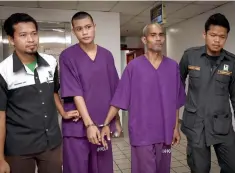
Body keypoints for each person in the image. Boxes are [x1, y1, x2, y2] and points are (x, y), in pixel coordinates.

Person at [100, 23, 186, 173]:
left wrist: (175, 128)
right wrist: (106, 123)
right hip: (142, 133)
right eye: (153, 35)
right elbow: (119, 98)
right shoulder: (134, 67)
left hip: (165, 132)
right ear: (145, 40)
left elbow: (176, 101)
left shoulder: (172, 67)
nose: (158, 38)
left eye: (161, 35)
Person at [0, 13, 79, 173]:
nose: (31, 39)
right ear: (11, 39)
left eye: (34, 33)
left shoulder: (50, 62)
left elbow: (53, 91)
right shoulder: (3, 71)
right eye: (23, 35)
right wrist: (0, 159)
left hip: (51, 143)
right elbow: (0, 116)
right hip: (19, 147)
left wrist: (62, 112)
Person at [59, 11, 122, 173]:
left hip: (103, 125)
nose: (85, 32)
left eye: (88, 27)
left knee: (102, 169)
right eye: (79, 29)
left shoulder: (107, 55)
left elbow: (115, 89)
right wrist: (89, 124)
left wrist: (114, 121)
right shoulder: (67, 56)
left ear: (94, 27)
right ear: (74, 31)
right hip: (77, 128)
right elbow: (75, 92)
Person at [179, 13, 235, 173]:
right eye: (213, 35)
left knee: (233, 167)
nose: (217, 40)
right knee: (200, 169)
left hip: (222, 125)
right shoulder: (190, 56)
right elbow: (177, 85)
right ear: (204, 34)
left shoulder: (232, 62)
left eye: (222, 37)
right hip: (196, 125)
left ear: (226, 38)